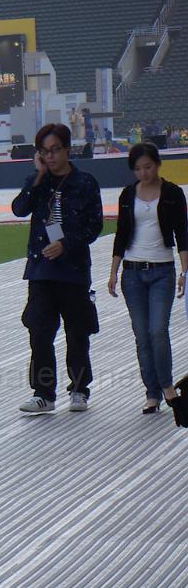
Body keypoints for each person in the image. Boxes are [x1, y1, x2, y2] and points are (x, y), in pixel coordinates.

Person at [12, 123, 103, 413]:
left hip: (73, 270)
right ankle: (43, 393)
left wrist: (66, 245)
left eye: (55, 150)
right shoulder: (38, 182)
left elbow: (94, 226)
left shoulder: (85, 182)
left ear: (67, 149)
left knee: (77, 332)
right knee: (39, 331)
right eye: (44, 151)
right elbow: (19, 209)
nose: (50, 156)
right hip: (41, 270)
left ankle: (79, 389)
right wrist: (37, 176)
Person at [108, 142, 187, 413]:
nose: (144, 173)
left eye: (148, 167)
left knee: (158, 331)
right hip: (132, 273)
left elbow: (182, 234)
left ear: (157, 165)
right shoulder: (127, 195)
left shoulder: (173, 193)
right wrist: (113, 271)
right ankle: (151, 392)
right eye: (138, 169)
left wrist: (184, 272)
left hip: (162, 271)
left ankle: (167, 385)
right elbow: (121, 233)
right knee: (142, 335)